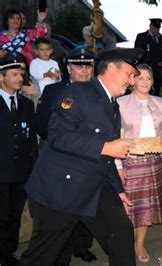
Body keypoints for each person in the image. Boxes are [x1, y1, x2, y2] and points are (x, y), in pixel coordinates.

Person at [19, 48, 144, 266]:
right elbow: (58, 136)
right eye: (130, 74)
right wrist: (105, 146)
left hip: (93, 186)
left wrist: (118, 189)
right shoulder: (79, 93)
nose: (132, 81)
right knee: (45, 255)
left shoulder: (112, 105)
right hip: (61, 190)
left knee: (121, 230)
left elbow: (107, 156)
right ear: (112, 69)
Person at [33, 47, 99, 265]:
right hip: (61, 161)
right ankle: (61, 256)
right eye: (78, 66)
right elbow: (41, 123)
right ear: (68, 68)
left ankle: (82, 247)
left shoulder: (100, 92)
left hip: (89, 161)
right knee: (60, 213)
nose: (83, 70)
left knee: (86, 206)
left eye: (88, 65)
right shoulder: (54, 91)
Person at [116, 64, 162, 263]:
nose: (144, 82)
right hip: (130, 163)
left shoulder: (161, 102)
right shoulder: (120, 103)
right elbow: (116, 137)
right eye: (140, 77)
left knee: (146, 209)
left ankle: (139, 244)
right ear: (132, 80)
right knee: (127, 209)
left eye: (148, 78)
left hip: (156, 163)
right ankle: (123, 243)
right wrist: (118, 166)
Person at [0, 51, 38, 266]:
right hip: (0, 172)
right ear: (1, 76)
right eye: (14, 74)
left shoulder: (26, 105)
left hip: (21, 173)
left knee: (14, 216)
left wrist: (33, 169)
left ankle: (8, 253)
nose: (19, 78)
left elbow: (31, 140)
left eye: (21, 74)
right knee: (1, 217)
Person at [134, 18, 162, 114]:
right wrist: (156, 63)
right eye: (155, 28)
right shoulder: (142, 37)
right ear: (150, 26)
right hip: (148, 71)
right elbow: (139, 53)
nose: (157, 30)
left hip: (161, 72)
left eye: (158, 28)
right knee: (149, 94)